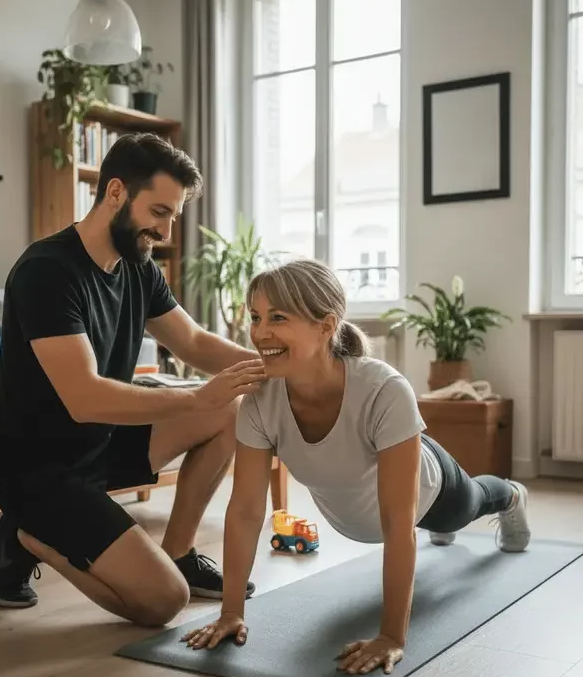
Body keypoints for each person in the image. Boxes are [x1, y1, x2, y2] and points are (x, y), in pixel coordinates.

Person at [181, 259, 531, 675]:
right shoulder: (260, 400)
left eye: (278, 318)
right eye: (256, 317)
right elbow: (244, 511)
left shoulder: (384, 389)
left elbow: (398, 522)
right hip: (365, 513)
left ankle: (512, 495)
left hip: (431, 491)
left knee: (471, 502)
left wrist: (391, 637)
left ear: (326, 326)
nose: (259, 333)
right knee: (423, 523)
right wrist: (231, 612)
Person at [0, 132, 266, 626]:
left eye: (173, 216)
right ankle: (28, 538)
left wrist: (274, 369)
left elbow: (193, 342)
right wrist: (195, 397)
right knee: (165, 602)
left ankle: (179, 551)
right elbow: (85, 398)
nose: (166, 231)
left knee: (229, 407)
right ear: (116, 192)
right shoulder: (46, 271)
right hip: (38, 473)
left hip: (103, 447)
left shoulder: (138, 268)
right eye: (159, 212)